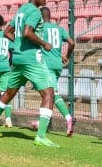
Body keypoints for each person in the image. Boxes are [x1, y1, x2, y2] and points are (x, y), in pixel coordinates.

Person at [0, 0, 59, 148]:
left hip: (17, 58)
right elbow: (27, 32)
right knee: (49, 93)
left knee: (9, 93)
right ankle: (41, 136)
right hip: (32, 59)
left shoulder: (21, 10)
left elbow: (7, 31)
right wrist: (44, 43)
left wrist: (16, 44)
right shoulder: (35, 12)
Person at [31, 7, 75, 136]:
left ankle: (68, 118)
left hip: (46, 64)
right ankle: (42, 121)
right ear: (50, 16)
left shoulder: (40, 29)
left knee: (51, 93)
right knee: (47, 93)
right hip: (57, 64)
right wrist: (67, 55)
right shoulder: (59, 29)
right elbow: (71, 43)